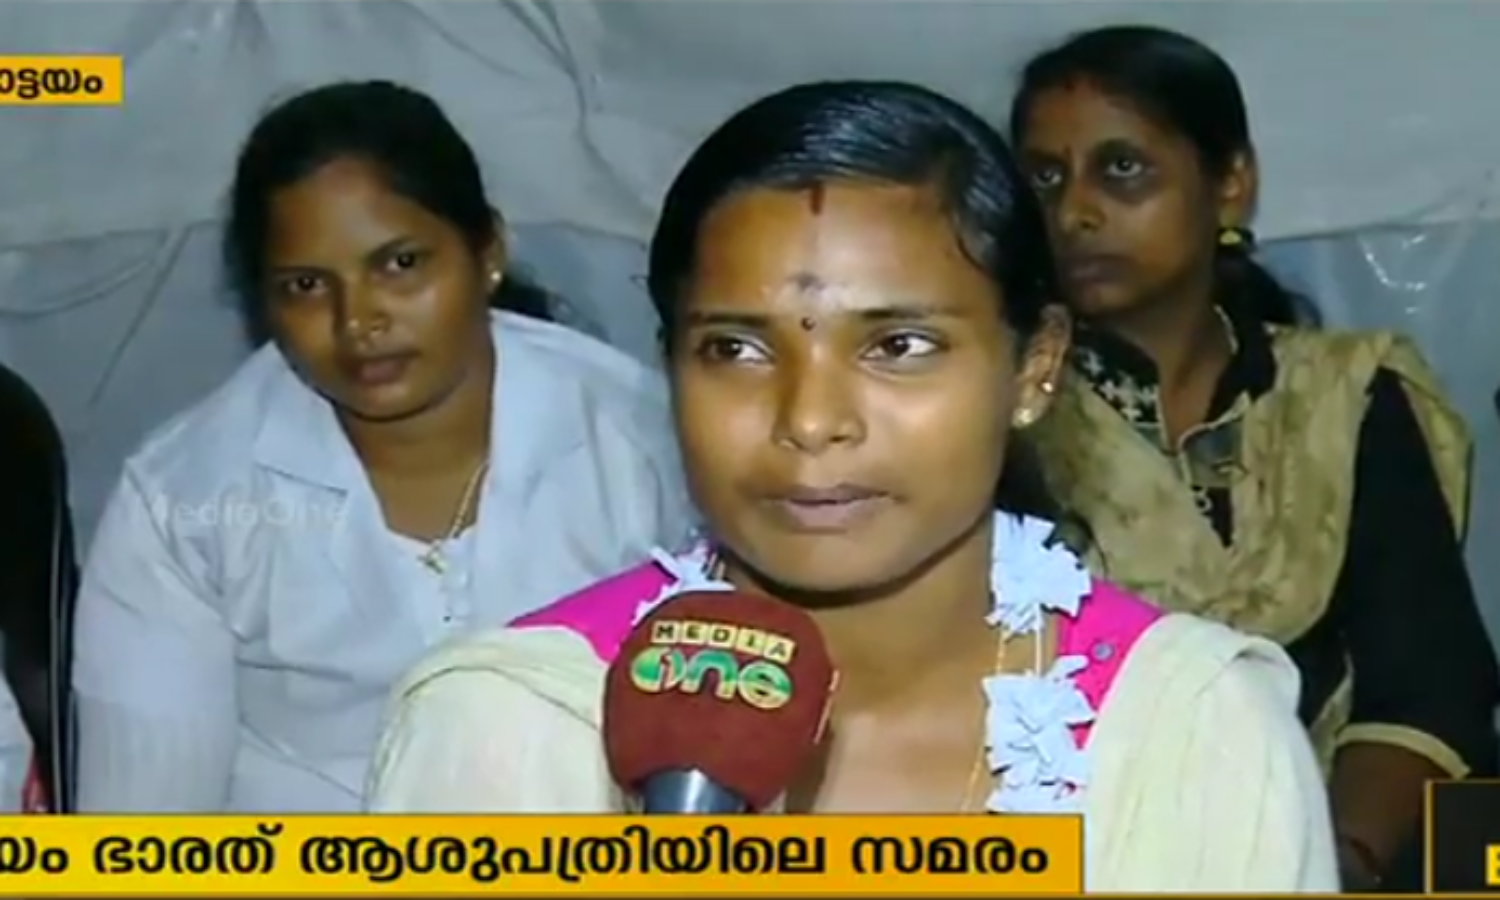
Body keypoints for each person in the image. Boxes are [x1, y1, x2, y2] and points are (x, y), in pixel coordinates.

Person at [364, 80, 1339, 892]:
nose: (810, 418)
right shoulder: (512, 723)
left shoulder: (1188, 734)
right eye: (735, 349)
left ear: (1035, 367)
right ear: (670, 367)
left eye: (899, 345)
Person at [71, 81, 696, 812]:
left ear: (487, 251)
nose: (358, 320)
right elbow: (144, 832)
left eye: (400, 264)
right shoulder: (185, 502)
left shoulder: (647, 441)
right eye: (307, 285)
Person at [1008, 25, 1500, 891]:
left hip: (1339, 842)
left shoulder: (1344, 396)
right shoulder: (1003, 413)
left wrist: (1327, 862)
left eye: (1122, 169)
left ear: (1231, 184)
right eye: (1046, 178)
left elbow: (1426, 684)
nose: (1075, 212)